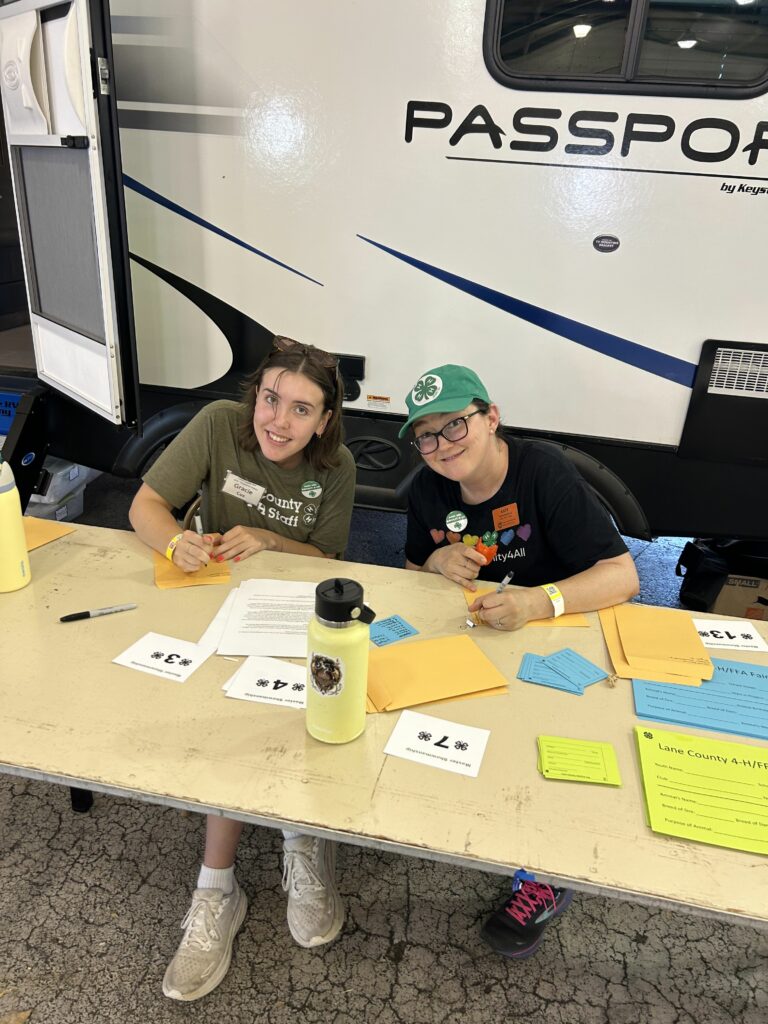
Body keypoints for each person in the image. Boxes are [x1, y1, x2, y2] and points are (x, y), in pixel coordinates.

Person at [129, 336, 355, 1000]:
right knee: (226, 729)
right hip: (216, 603)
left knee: (303, 716)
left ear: (325, 420)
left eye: (301, 409)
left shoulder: (336, 466)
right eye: (270, 399)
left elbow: (328, 560)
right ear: (254, 395)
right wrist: (176, 541)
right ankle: (217, 888)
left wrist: (270, 539)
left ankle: (302, 839)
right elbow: (144, 506)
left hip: (290, 614)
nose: (278, 421)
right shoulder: (217, 425)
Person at [400, 363, 639, 959]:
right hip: (478, 638)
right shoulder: (427, 488)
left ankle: (545, 875)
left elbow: (623, 576)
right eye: (425, 435)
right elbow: (409, 573)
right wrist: (434, 564)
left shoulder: (542, 473)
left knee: (551, 756)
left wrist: (537, 602)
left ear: (491, 418)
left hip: (558, 639)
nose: (441, 445)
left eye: (455, 425)